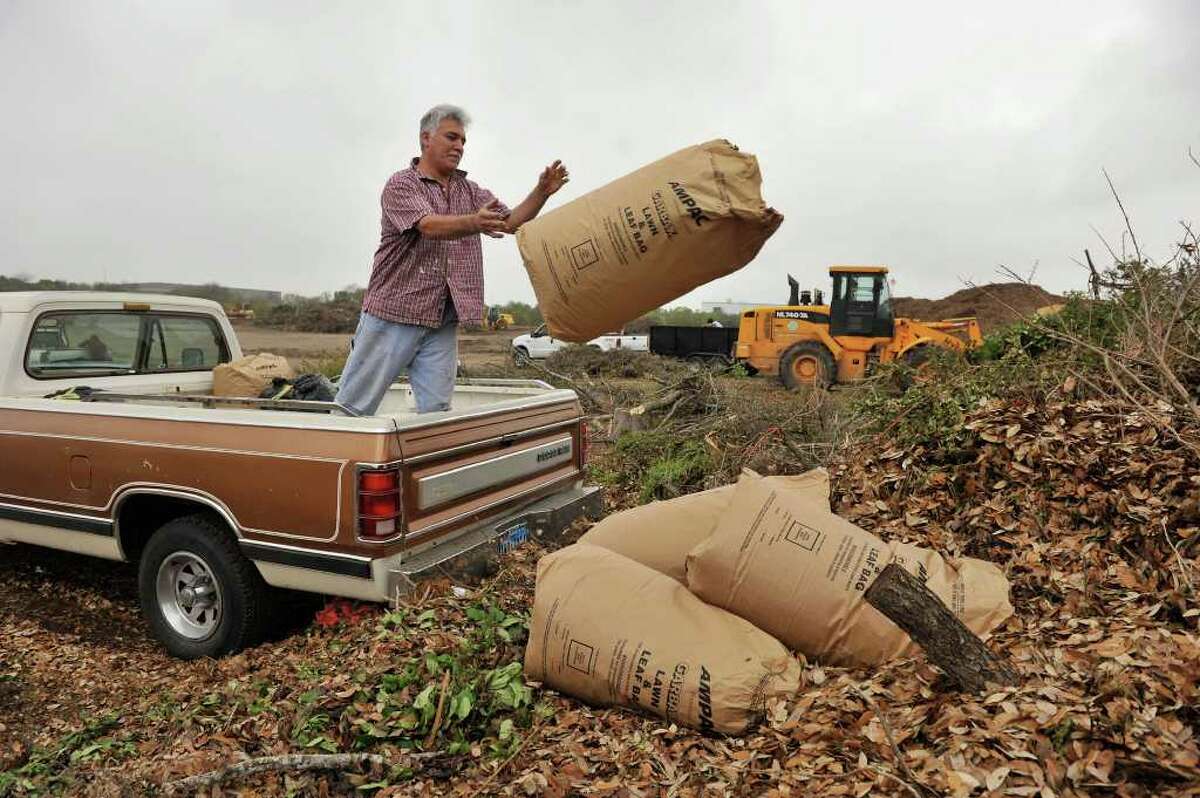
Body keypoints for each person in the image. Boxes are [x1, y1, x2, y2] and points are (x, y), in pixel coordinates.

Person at [335, 104, 569, 415]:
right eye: (451, 137)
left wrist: (541, 192)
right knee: (353, 409)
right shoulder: (402, 184)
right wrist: (475, 223)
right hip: (393, 315)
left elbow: (510, 223)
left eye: (463, 142)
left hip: (441, 320)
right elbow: (428, 225)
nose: (459, 146)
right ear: (426, 138)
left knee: (436, 412)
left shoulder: (469, 190)